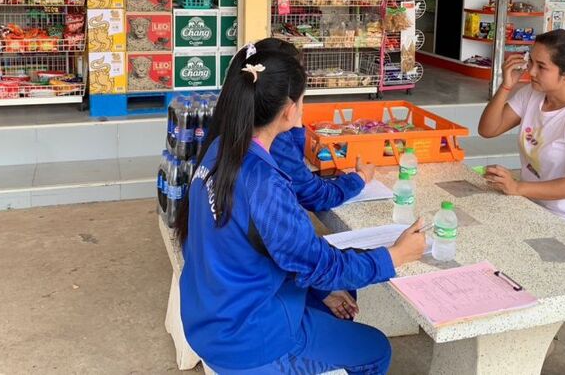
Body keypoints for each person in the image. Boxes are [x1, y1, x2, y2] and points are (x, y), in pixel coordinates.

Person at [175, 45, 426, 375]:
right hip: (251, 341)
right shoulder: (264, 182)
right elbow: (317, 263)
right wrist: (395, 256)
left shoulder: (220, 149)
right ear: (289, 110)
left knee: (334, 292)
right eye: (304, 99)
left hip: (210, 316)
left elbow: (281, 251)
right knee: (376, 350)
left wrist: (321, 289)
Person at [477, 29, 565, 239]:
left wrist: (517, 187)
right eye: (531, 62)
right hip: (532, 206)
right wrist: (506, 86)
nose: (531, 72)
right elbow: (488, 130)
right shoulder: (532, 94)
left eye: (542, 66)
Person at [227, 38, 376, 211]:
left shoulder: (235, 118)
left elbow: (295, 164)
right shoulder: (271, 141)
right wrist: (361, 177)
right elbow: (315, 195)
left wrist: (295, 116)